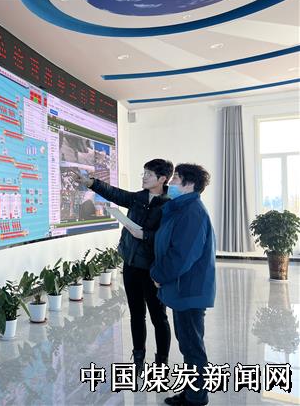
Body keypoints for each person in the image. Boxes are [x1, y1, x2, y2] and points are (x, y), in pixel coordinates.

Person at [73, 159, 174, 373]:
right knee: (136, 314)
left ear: (162, 179)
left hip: (153, 268)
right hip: (131, 265)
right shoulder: (137, 198)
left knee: (159, 317)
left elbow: (169, 237)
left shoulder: (170, 205)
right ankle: (138, 358)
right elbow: (115, 194)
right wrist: (91, 183)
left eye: (149, 174)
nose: (144, 177)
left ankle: (161, 362)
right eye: (144, 173)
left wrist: (144, 235)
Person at [150, 163, 216, 406]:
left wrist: (158, 274)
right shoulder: (182, 209)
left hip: (189, 291)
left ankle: (196, 398)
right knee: (189, 344)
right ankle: (192, 392)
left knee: (192, 346)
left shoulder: (192, 213)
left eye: (176, 178)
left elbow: (181, 256)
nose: (171, 183)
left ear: (190, 184)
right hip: (184, 290)